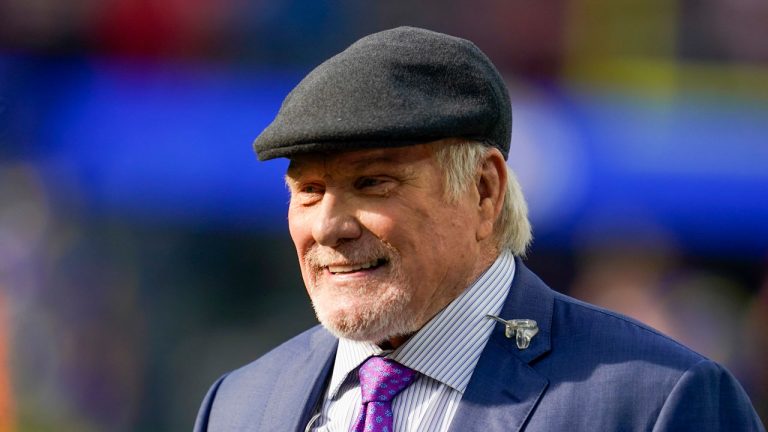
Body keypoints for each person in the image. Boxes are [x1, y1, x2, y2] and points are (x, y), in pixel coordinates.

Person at [194, 27, 764, 431]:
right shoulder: (237, 407)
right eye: (309, 191)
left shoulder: (657, 401)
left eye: (372, 183)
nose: (328, 226)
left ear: (484, 190)